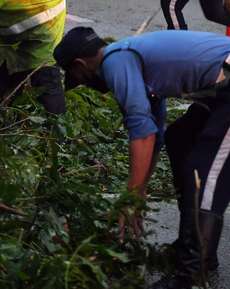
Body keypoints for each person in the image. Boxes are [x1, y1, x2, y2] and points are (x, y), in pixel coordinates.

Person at [53, 27, 229, 288]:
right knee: (180, 138)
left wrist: (131, 195)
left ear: (81, 65)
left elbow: (142, 132)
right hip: (221, 89)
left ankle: (191, 272)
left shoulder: (116, 60)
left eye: (78, 78)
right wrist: (141, 189)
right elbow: (155, 133)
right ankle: (193, 245)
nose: (87, 85)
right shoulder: (134, 60)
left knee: (203, 168)